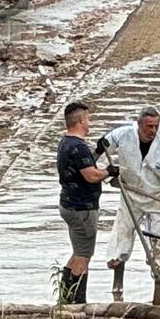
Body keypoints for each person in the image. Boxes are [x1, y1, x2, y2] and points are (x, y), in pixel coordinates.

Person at [100, 106, 160, 305]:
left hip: (158, 198)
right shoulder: (121, 135)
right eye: (148, 126)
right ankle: (117, 290)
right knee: (121, 236)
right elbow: (98, 152)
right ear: (139, 124)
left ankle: (159, 289)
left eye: (155, 126)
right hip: (131, 195)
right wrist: (109, 176)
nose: (152, 130)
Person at [55, 100, 108, 305]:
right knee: (83, 255)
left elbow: (83, 164)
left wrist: (98, 152)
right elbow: (91, 175)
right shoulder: (77, 146)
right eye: (87, 119)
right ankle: (77, 303)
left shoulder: (67, 142)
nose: (90, 123)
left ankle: (65, 296)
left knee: (78, 251)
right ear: (80, 120)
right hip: (82, 208)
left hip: (68, 203)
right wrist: (109, 172)